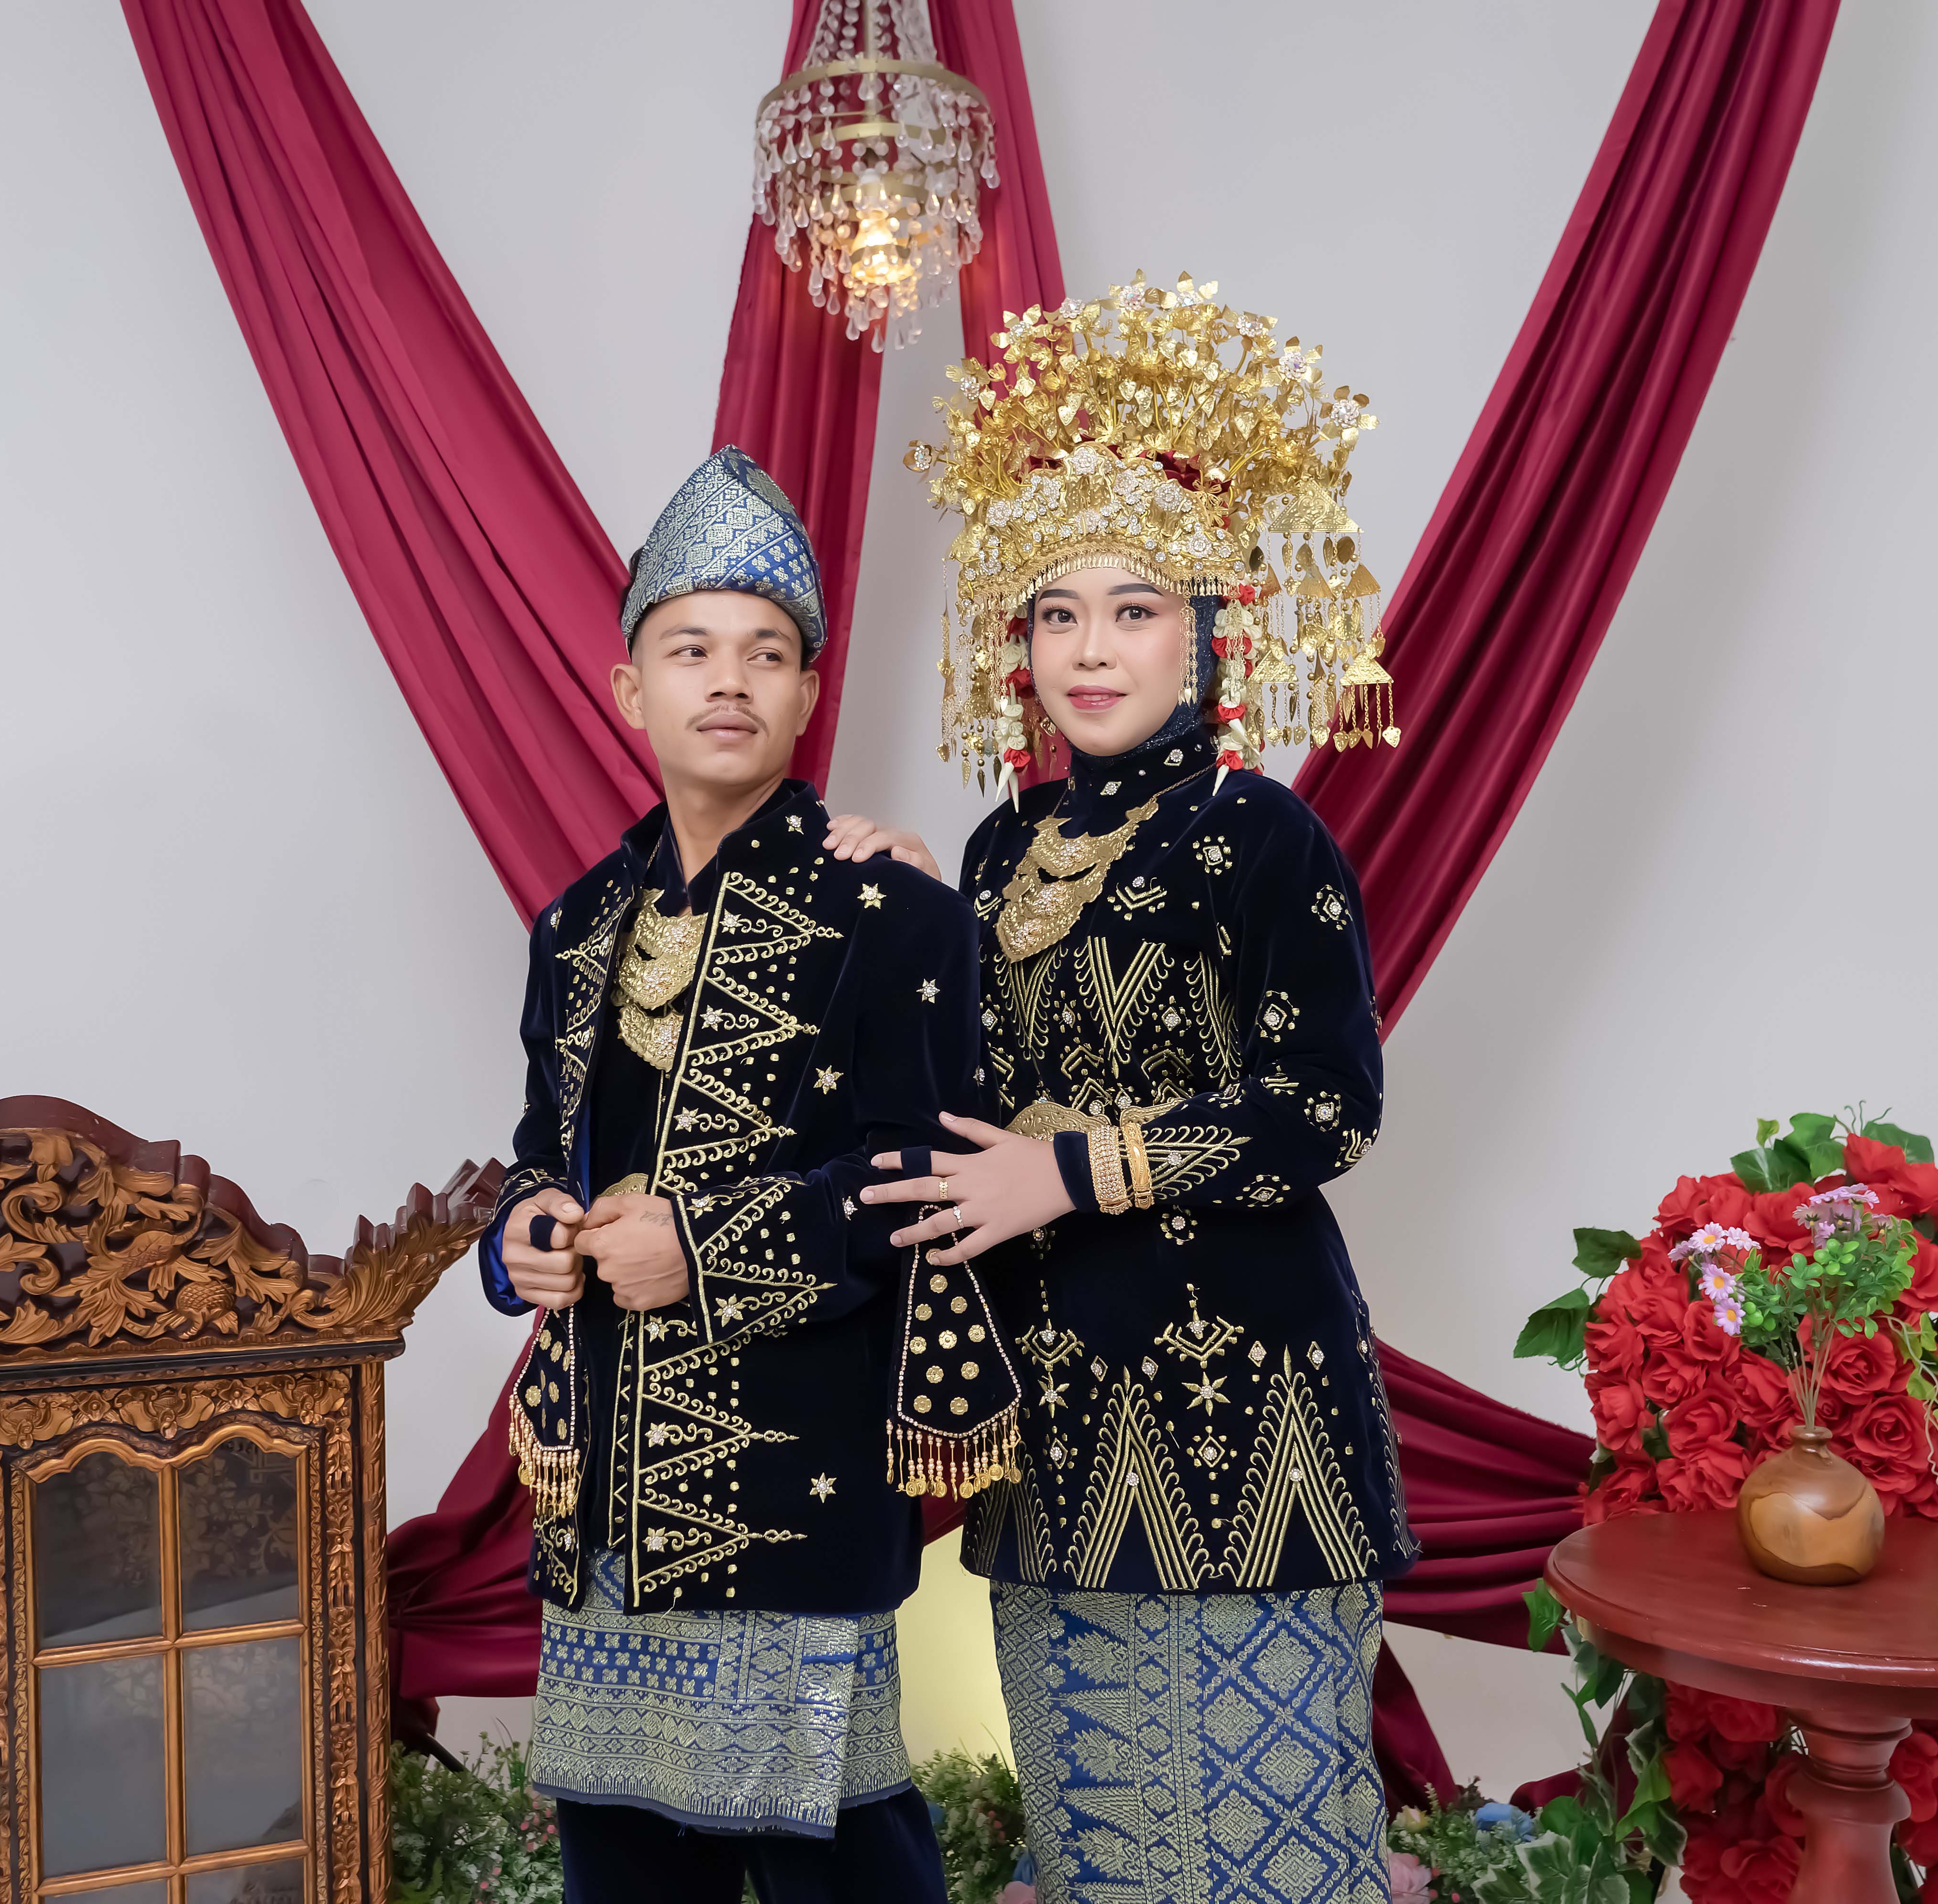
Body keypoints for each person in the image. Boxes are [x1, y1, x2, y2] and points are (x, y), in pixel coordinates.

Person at [837, 275, 1416, 1904]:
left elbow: (1329, 1105)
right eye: (1056, 614)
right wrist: (915, 918)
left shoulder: (1263, 833)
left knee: (1267, 1833)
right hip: (1058, 1412)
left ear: (1209, 626)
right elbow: (971, 1099)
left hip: (1247, 1405)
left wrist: (1073, 1172)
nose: (1089, 650)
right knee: (1103, 1837)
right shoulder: (999, 848)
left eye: (1134, 609)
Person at [477, 446, 994, 1903]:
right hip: (603, 1506)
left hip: (797, 1486)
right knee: (626, 1875)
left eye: (767, 653)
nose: (729, 679)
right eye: (691, 648)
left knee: (842, 1866)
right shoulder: (577, 926)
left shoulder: (894, 913)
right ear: (627, 689)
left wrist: (703, 1248)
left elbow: (929, 1174)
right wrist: (524, 1230)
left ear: (809, 695)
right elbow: (538, 1148)